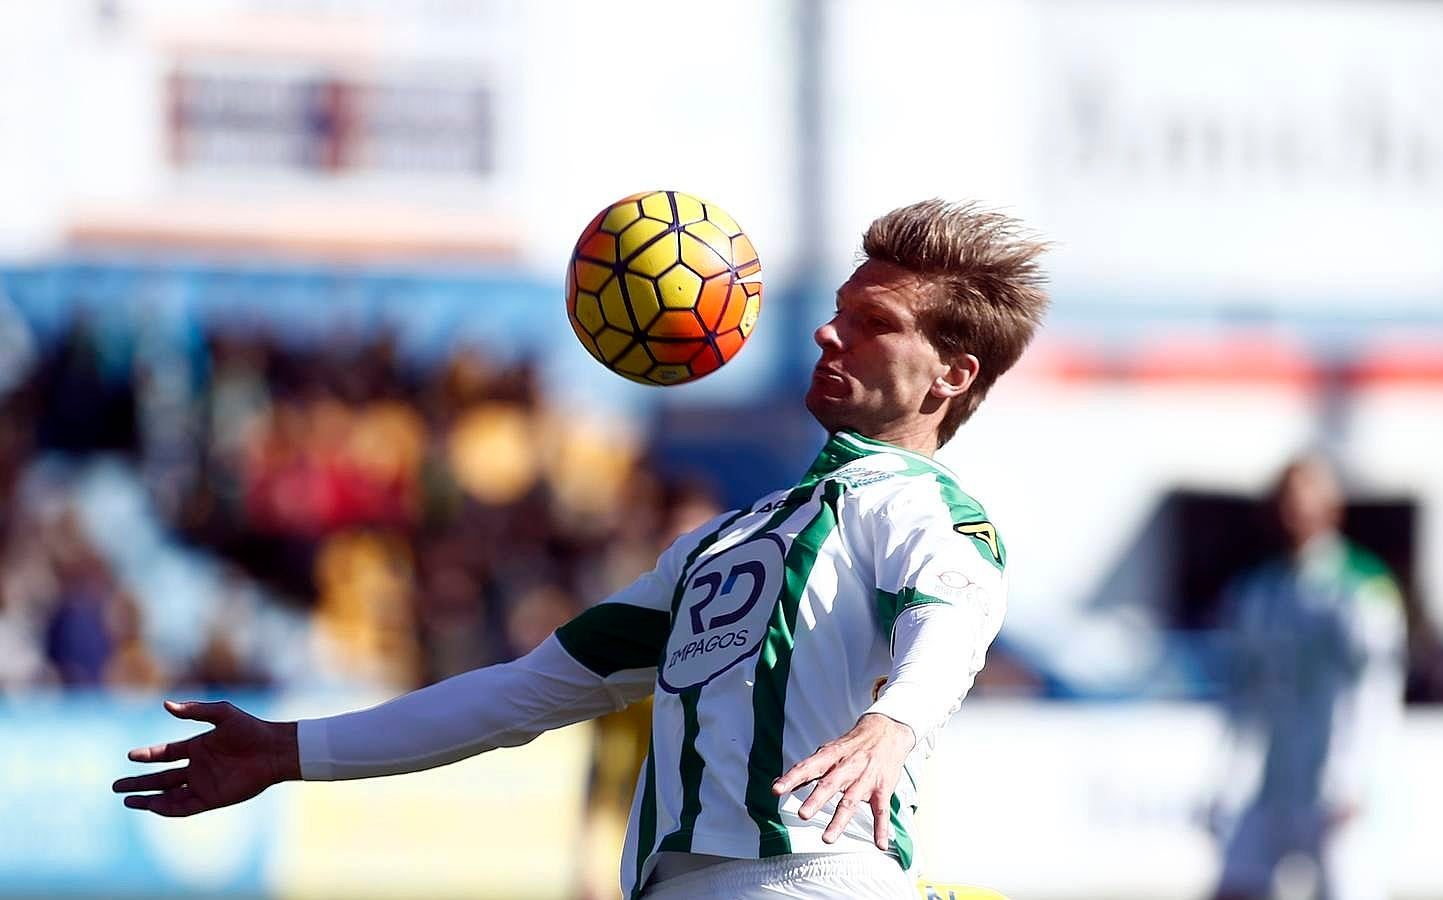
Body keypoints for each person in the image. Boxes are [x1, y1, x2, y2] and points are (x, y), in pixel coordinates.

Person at [113, 200, 1050, 900]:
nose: (826, 328)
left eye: (875, 321)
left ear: (954, 374)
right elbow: (520, 694)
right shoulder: (716, 546)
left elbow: (955, 609)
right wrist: (291, 749)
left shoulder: (915, 505)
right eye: (839, 307)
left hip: (815, 875)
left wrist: (896, 724)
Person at [1209, 455, 1407, 900]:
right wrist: (1227, 774)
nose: (1295, 510)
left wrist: (1353, 776)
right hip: (1274, 776)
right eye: (1287, 497)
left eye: (1306, 496)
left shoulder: (1363, 586)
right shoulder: (1259, 589)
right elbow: (1244, 690)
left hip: (1339, 780)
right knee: (1236, 883)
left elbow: (1375, 690)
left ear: (1332, 504)